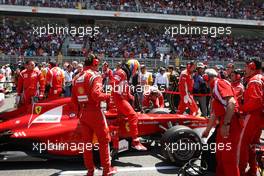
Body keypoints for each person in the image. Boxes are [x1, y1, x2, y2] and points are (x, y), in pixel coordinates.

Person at [71, 54, 117, 176]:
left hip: (83, 114)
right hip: (95, 112)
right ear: (95, 63)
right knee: (104, 141)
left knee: (87, 144)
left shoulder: (76, 78)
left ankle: (90, 170)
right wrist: (109, 95)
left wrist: (78, 114)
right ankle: (107, 170)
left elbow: (73, 100)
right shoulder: (95, 76)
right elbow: (96, 95)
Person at [202, 68, 241, 176]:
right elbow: (215, 113)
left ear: (206, 77)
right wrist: (207, 131)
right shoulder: (215, 88)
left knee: (228, 158)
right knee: (220, 156)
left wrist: (226, 124)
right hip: (225, 122)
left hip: (231, 122)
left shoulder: (219, 83)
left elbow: (231, 102)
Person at [111, 59, 147, 151]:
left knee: (120, 119)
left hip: (120, 98)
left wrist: (130, 96)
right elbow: (113, 83)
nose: (135, 71)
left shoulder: (125, 74)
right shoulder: (121, 72)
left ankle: (116, 137)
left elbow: (124, 88)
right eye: (136, 69)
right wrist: (119, 94)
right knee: (133, 116)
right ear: (132, 67)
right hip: (119, 99)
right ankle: (135, 142)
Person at [238, 58, 264, 176]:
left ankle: (240, 171)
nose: (245, 69)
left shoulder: (254, 81)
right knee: (253, 145)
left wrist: (240, 108)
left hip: (252, 116)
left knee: (242, 144)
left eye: (246, 66)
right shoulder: (261, 78)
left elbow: (255, 101)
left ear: (252, 66)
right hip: (259, 118)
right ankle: (253, 170)